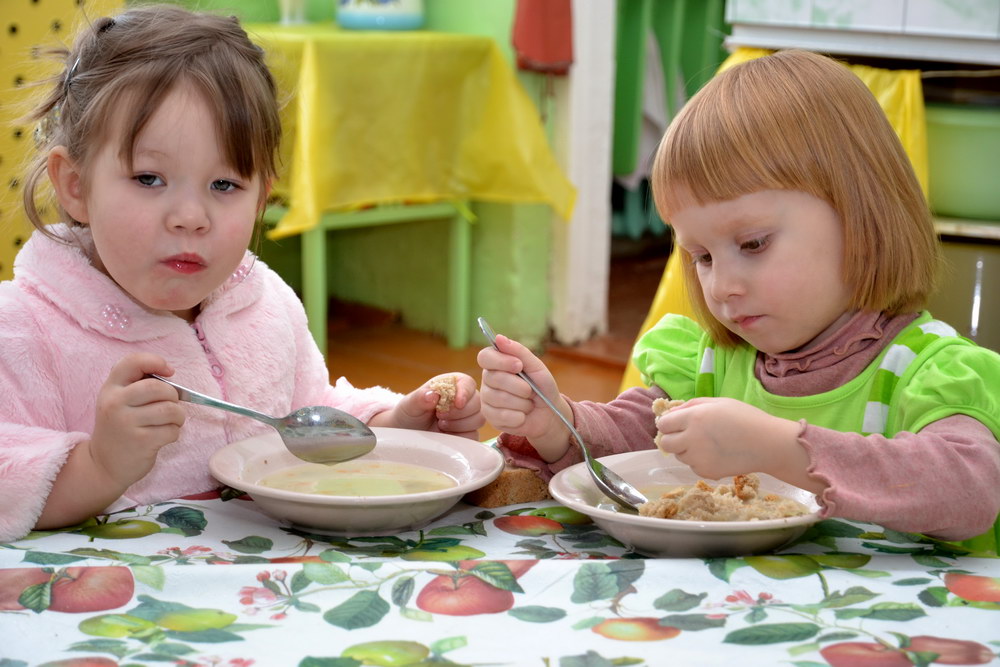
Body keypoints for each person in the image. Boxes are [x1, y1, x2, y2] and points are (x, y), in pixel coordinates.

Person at [479, 49, 1000, 551]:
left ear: (864, 218)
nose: (722, 284)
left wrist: (782, 449)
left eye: (752, 244)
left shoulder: (928, 373)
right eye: (701, 256)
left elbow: (971, 491)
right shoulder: (706, 363)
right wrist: (556, 424)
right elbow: (626, 448)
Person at [0, 4, 483, 542]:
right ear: (75, 184)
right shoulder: (22, 329)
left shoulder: (263, 302)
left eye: (224, 185)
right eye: (149, 178)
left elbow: (308, 416)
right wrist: (99, 465)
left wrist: (398, 424)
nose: (190, 217)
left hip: (271, 598)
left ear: (261, 197)